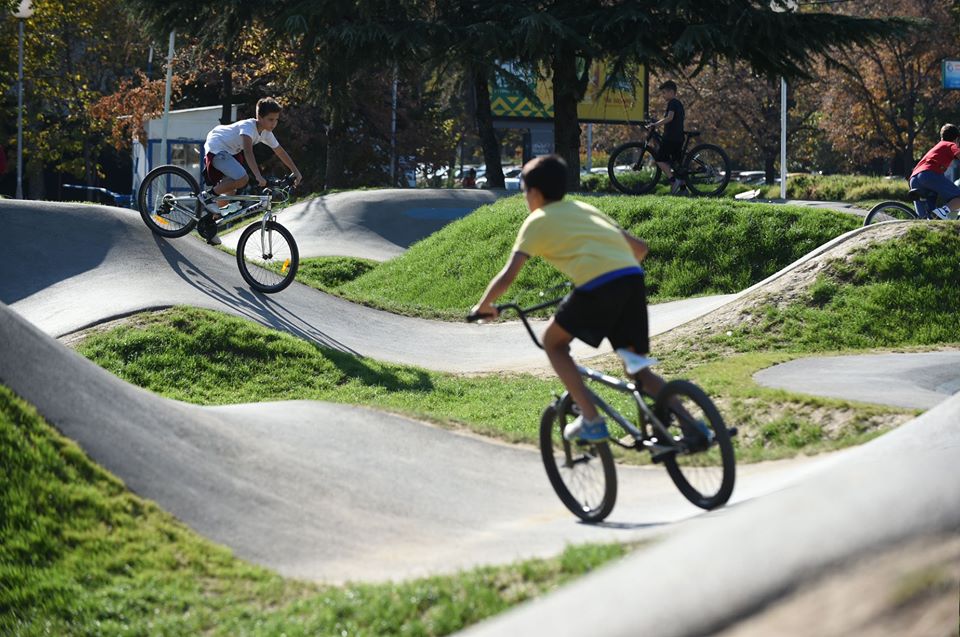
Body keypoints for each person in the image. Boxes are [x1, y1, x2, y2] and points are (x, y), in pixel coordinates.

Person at [471, 155, 682, 442]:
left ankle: (591, 418)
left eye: (523, 192)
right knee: (637, 366)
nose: (525, 199)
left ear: (533, 193)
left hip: (599, 285)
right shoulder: (583, 208)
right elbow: (640, 248)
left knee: (553, 342)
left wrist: (483, 307)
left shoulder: (536, 221)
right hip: (632, 279)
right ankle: (697, 428)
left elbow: (508, 275)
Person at [199, 97, 303, 244]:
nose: (274, 123)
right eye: (270, 119)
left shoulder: (266, 133)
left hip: (230, 151)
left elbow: (280, 152)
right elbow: (248, 152)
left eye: (276, 120)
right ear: (259, 117)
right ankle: (207, 195)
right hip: (217, 144)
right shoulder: (248, 127)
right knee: (242, 178)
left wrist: (296, 171)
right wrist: (258, 176)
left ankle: (209, 225)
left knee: (230, 196)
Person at [910, 123, 960, 220]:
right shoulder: (951, 144)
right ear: (956, 138)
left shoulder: (937, 147)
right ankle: (943, 211)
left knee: (926, 219)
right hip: (929, 175)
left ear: (941, 136)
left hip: (914, 178)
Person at [645, 80, 686, 195]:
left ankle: (673, 180)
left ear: (671, 92)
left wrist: (655, 125)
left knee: (659, 159)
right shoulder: (678, 103)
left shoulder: (672, 103)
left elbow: (669, 118)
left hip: (671, 137)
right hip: (678, 137)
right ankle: (683, 189)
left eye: (664, 93)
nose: (662, 96)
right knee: (677, 165)